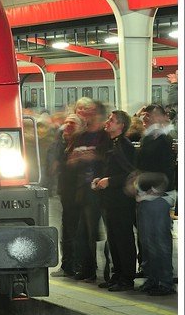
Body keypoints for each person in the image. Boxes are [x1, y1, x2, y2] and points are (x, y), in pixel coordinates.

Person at [134, 104, 177, 296]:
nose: (145, 120)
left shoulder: (164, 139)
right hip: (145, 194)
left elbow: (167, 169)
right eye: (144, 116)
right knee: (147, 240)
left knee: (159, 240)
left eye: (149, 116)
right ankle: (152, 278)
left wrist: (155, 190)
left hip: (159, 196)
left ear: (159, 117)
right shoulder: (148, 138)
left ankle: (165, 282)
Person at [91, 110, 136, 291]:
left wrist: (110, 181)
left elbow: (130, 173)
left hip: (121, 201)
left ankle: (127, 278)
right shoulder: (110, 144)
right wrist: (98, 179)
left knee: (123, 239)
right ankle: (117, 274)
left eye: (112, 120)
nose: (107, 122)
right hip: (109, 200)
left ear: (121, 126)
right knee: (113, 240)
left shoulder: (125, 146)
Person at [67, 98, 108, 282]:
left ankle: (103, 270)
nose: (86, 113)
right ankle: (86, 268)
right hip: (83, 190)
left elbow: (107, 158)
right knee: (82, 233)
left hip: (100, 189)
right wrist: (76, 159)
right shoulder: (81, 135)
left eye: (90, 110)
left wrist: (93, 156)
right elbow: (70, 159)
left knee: (96, 232)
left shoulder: (105, 136)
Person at [49, 113, 84, 278]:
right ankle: (68, 265)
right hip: (66, 194)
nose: (67, 126)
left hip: (77, 194)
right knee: (67, 230)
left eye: (72, 123)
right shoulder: (63, 144)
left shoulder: (79, 146)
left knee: (74, 231)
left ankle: (75, 265)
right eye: (67, 123)